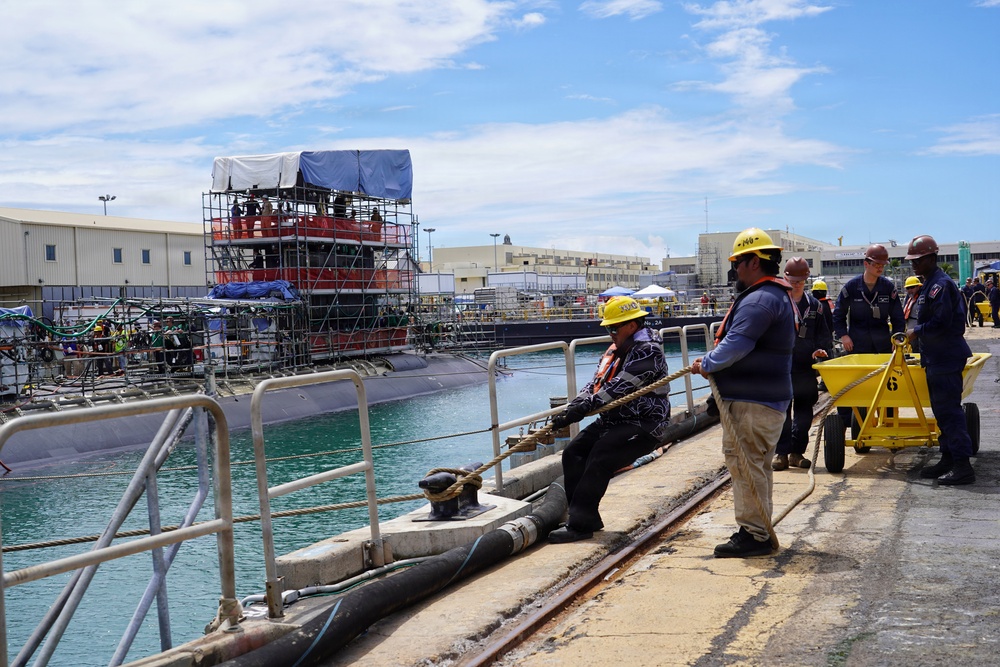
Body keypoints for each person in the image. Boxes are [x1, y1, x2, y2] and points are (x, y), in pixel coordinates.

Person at [691, 228, 794, 558]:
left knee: (746, 466)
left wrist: (707, 363)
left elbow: (736, 344)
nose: (734, 270)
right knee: (756, 467)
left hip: (753, 404)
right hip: (763, 401)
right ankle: (757, 527)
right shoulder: (772, 296)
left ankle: (755, 535)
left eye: (737, 262)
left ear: (754, 262)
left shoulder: (761, 299)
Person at [547, 296, 671, 543]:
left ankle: (580, 525)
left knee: (601, 456)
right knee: (573, 453)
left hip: (644, 424)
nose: (610, 333)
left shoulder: (648, 351)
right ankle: (583, 517)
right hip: (613, 421)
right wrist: (572, 407)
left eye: (614, 328)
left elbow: (619, 387)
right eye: (607, 328)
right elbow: (596, 384)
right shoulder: (616, 351)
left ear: (632, 326)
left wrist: (582, 409)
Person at [904, 235, 976, 485]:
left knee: (950, 413)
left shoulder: (941, 286)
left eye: (918, 260)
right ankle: (948, 458)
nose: (914, 265)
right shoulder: (929, 284)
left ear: (932, 258)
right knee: (941, 413)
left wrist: (916, 331)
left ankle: (962, 466)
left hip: (946, 357)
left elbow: (942, 322)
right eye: (912, 261)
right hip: (935, 358)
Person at [832, 243, 904, 427]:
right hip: (857, 347)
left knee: (888, 387)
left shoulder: (888, 288)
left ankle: (887, 424)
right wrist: (844, 336)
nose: (880, 267)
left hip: (883, 347)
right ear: (866, 264)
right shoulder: (851, 288)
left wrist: (897, 339)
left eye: (882, 264)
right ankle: (857, 425)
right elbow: (838, 315)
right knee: (858, 387)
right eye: (876, 264)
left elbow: (898, 318)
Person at [773, 258, 832, 472]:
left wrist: (820, 351)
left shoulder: (815, 306)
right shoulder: (778, 303)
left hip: (805, 367)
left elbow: (823, 335)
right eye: (793, 280)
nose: (797, 284)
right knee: (781, 411)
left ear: (806, 279)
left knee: (804, 412)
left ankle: (797, 452)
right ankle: (781, 453)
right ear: (785, 277)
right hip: (781, 367)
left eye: (801, 280)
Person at [902, 276, 922, 352]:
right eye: (908, 288)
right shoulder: (909, 299)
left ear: (918, 287)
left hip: (919, 332)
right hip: (910, 332)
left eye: (912, 287)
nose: (910, 290)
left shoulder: (922, 299)